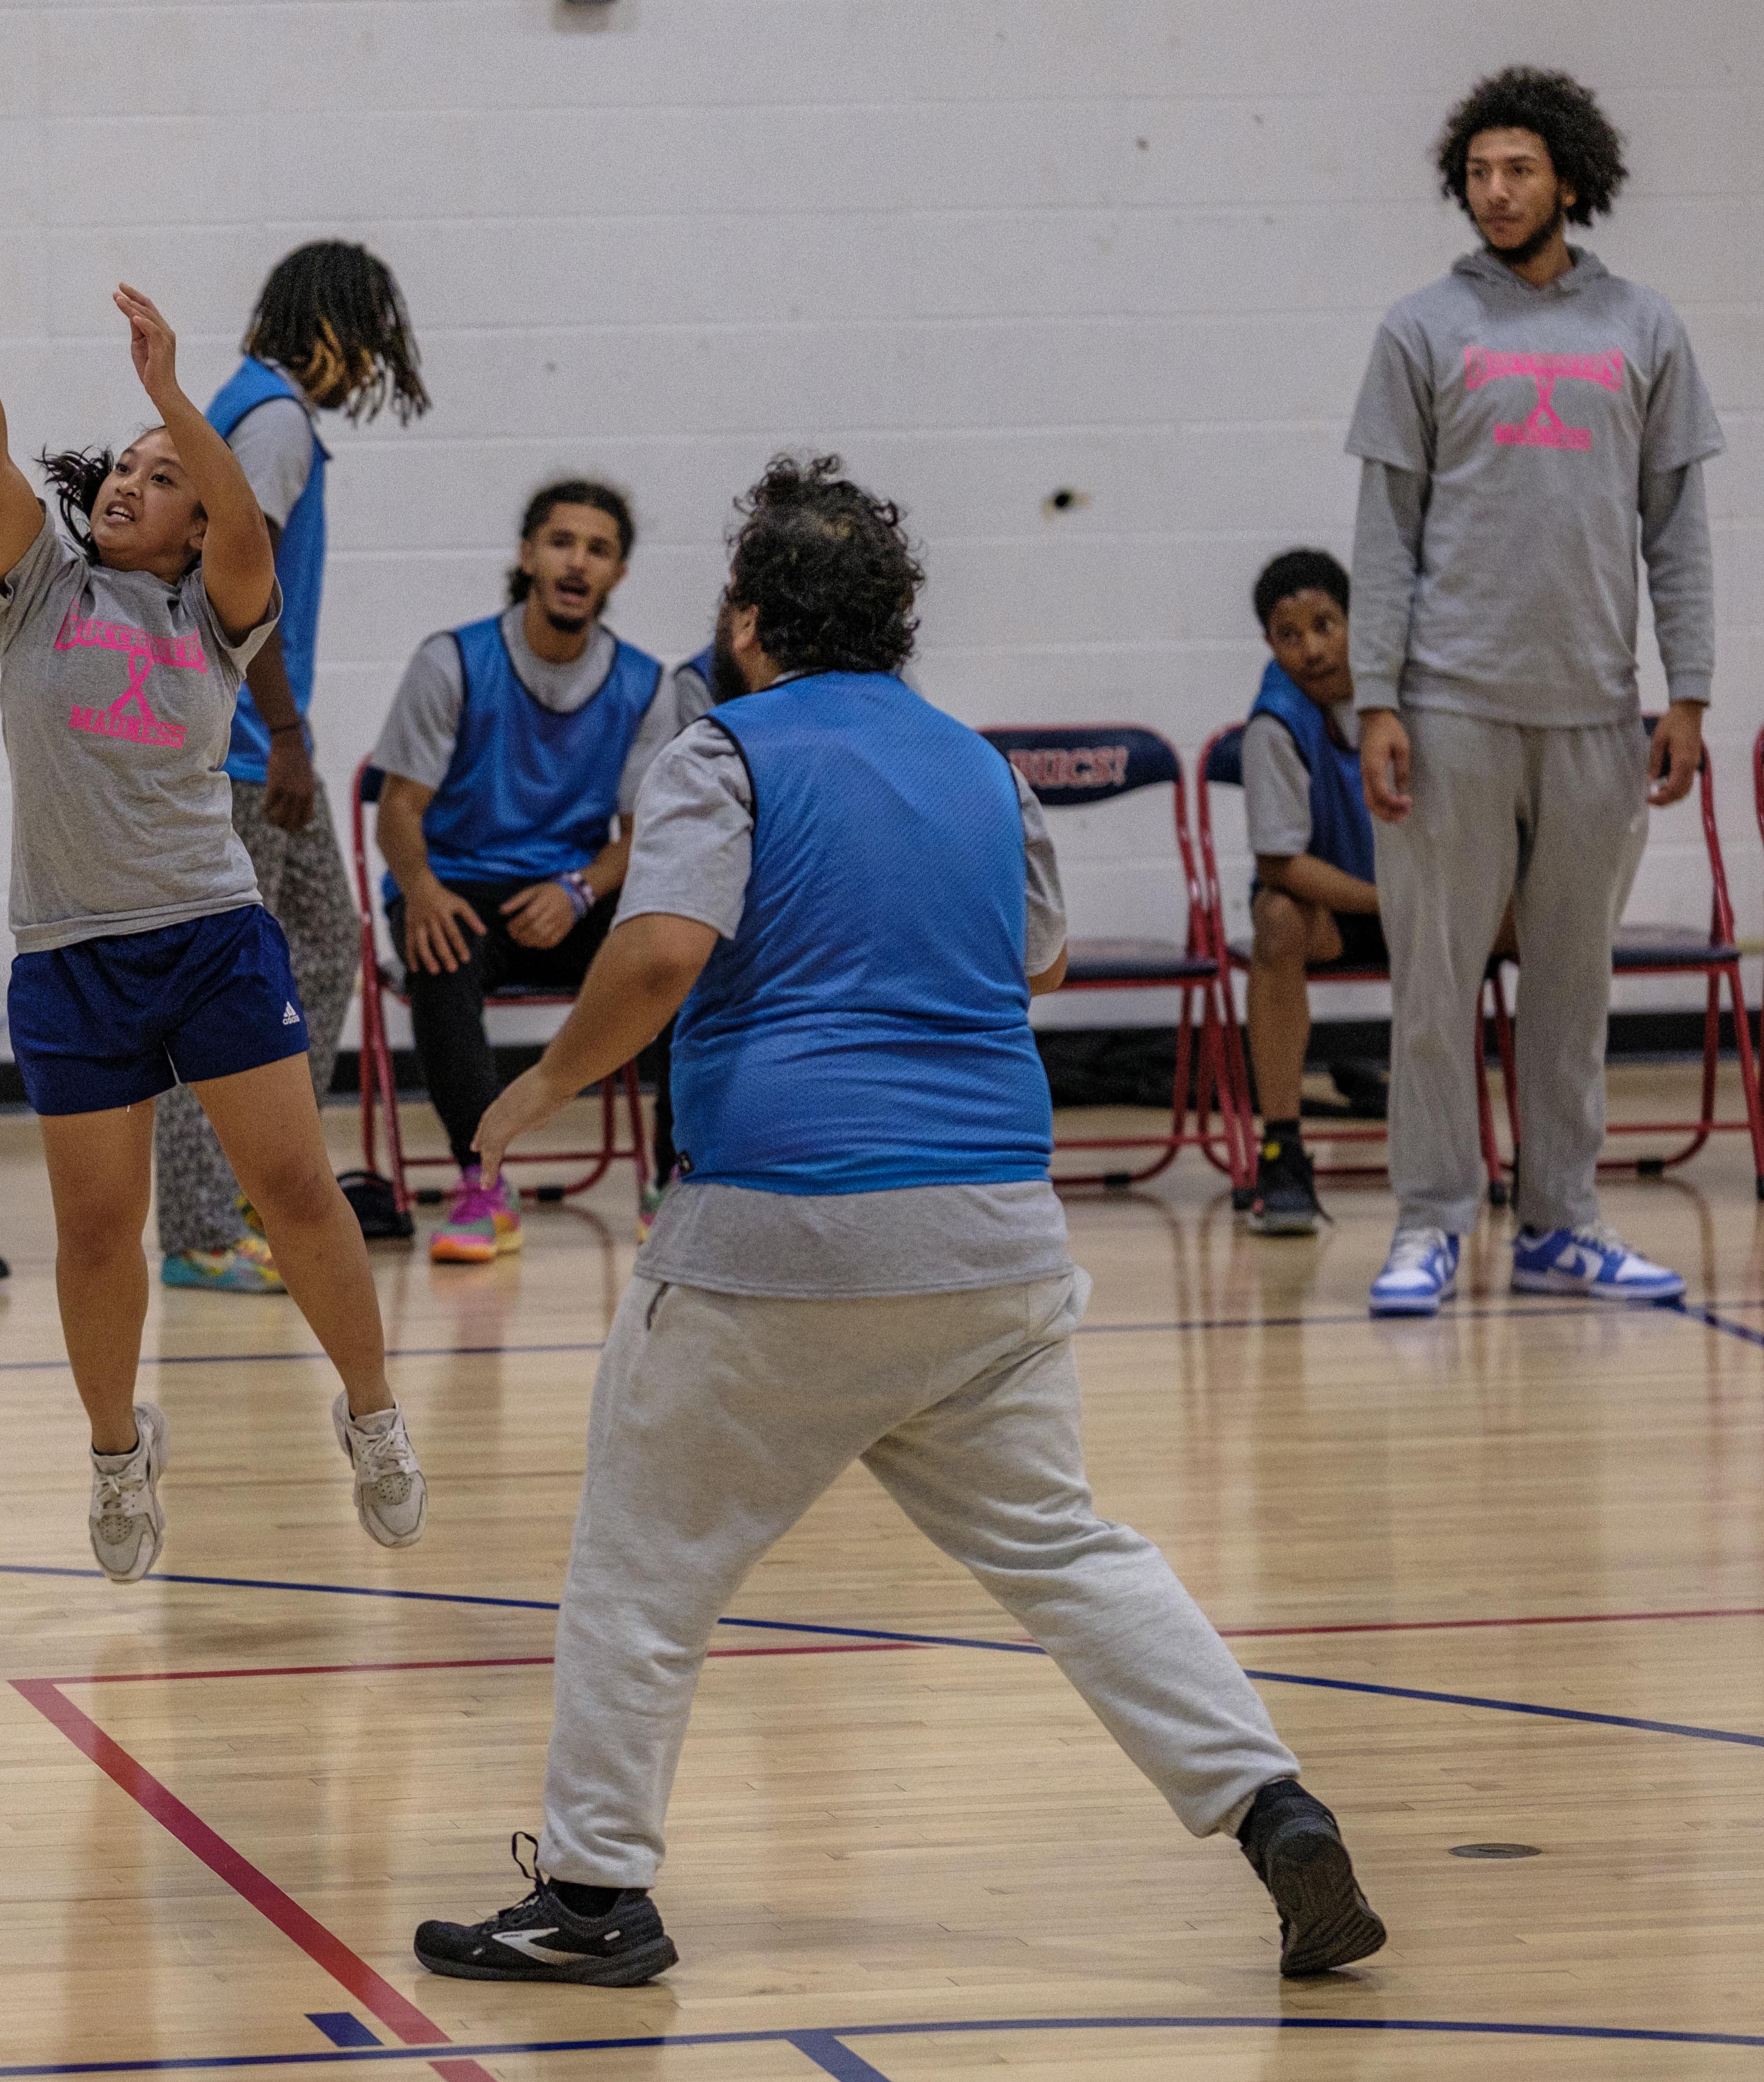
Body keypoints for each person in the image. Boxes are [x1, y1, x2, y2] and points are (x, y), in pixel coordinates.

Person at [414, 457, 1383, 1989]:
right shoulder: (978, 767)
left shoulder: (717, 750)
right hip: (990, 1239)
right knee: (1067, 1547)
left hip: (780, 1237)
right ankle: (1271, 1802)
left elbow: (659, 950)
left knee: (638, 1564)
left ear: (744, 618)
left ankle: (593, 1893)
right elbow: (1040, 961)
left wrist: (528, 1091)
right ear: (892, 615)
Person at [0, 285, 426, 1581]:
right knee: (99, 1230)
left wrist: (179, 396)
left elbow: (246, 520)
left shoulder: (217, 611)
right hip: (70, 958)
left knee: (293, 1188)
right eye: (123, 462)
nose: (129, 480)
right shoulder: (36, 588)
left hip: (209, 935)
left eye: (160, 474)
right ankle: (120, 1455)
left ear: (194, 518)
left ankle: (376, 1413)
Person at [1351, 66, 1721, 1316]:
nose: (1494, 192)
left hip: (1597, 709)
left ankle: (1564, 1220)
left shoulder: (1644, 326)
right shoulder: (1419, 328)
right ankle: (1428, 1221)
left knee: (1574, 987)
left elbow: (1676, 530)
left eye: (1516, 170)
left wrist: (1691, 691)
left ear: (1568, 175)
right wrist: (1376, 698)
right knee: (1432, 985)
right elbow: (1385, 532)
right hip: (1449, 701)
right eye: (1475, 172)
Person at [154, 241, 429, 1295]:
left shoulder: (243, 403)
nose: (367, 367)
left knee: (304, 950)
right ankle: (209, 1217)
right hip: (240, 742)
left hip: (216, 735)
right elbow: (240, 574)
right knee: (259, 971)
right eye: (364, 338)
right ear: (326, 326)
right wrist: (289, 735)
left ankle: (241, 1191)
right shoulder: (272, 421)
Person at [370, 479, 687, 1261]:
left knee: (683, 944)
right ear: (527, 557)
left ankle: (678, 1178)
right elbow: (397, 812)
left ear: (615, 574)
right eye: (561, 542)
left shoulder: (647, 684)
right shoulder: (451, 661)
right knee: (439, 946)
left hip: (574, 892)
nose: (578, 562)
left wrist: (579, 888)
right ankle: (483, 1182)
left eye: (599, 549)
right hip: (457, 882)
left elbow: (642, 836)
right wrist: (421, 891)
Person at [1240, 547, 1379, 1234]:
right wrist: (1389, 903)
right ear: (1269, 644)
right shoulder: (1274, 722)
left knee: (1532, 916)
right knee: (1275, 920)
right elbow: (1280, 864)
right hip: (1334, 905)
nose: (1311, 649)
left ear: (1356, 622)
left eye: (1325, 625)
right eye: (1288, 636)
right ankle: (1281, 1150)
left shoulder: (1408, 695)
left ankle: (1539, 1152)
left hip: (1421, 896)